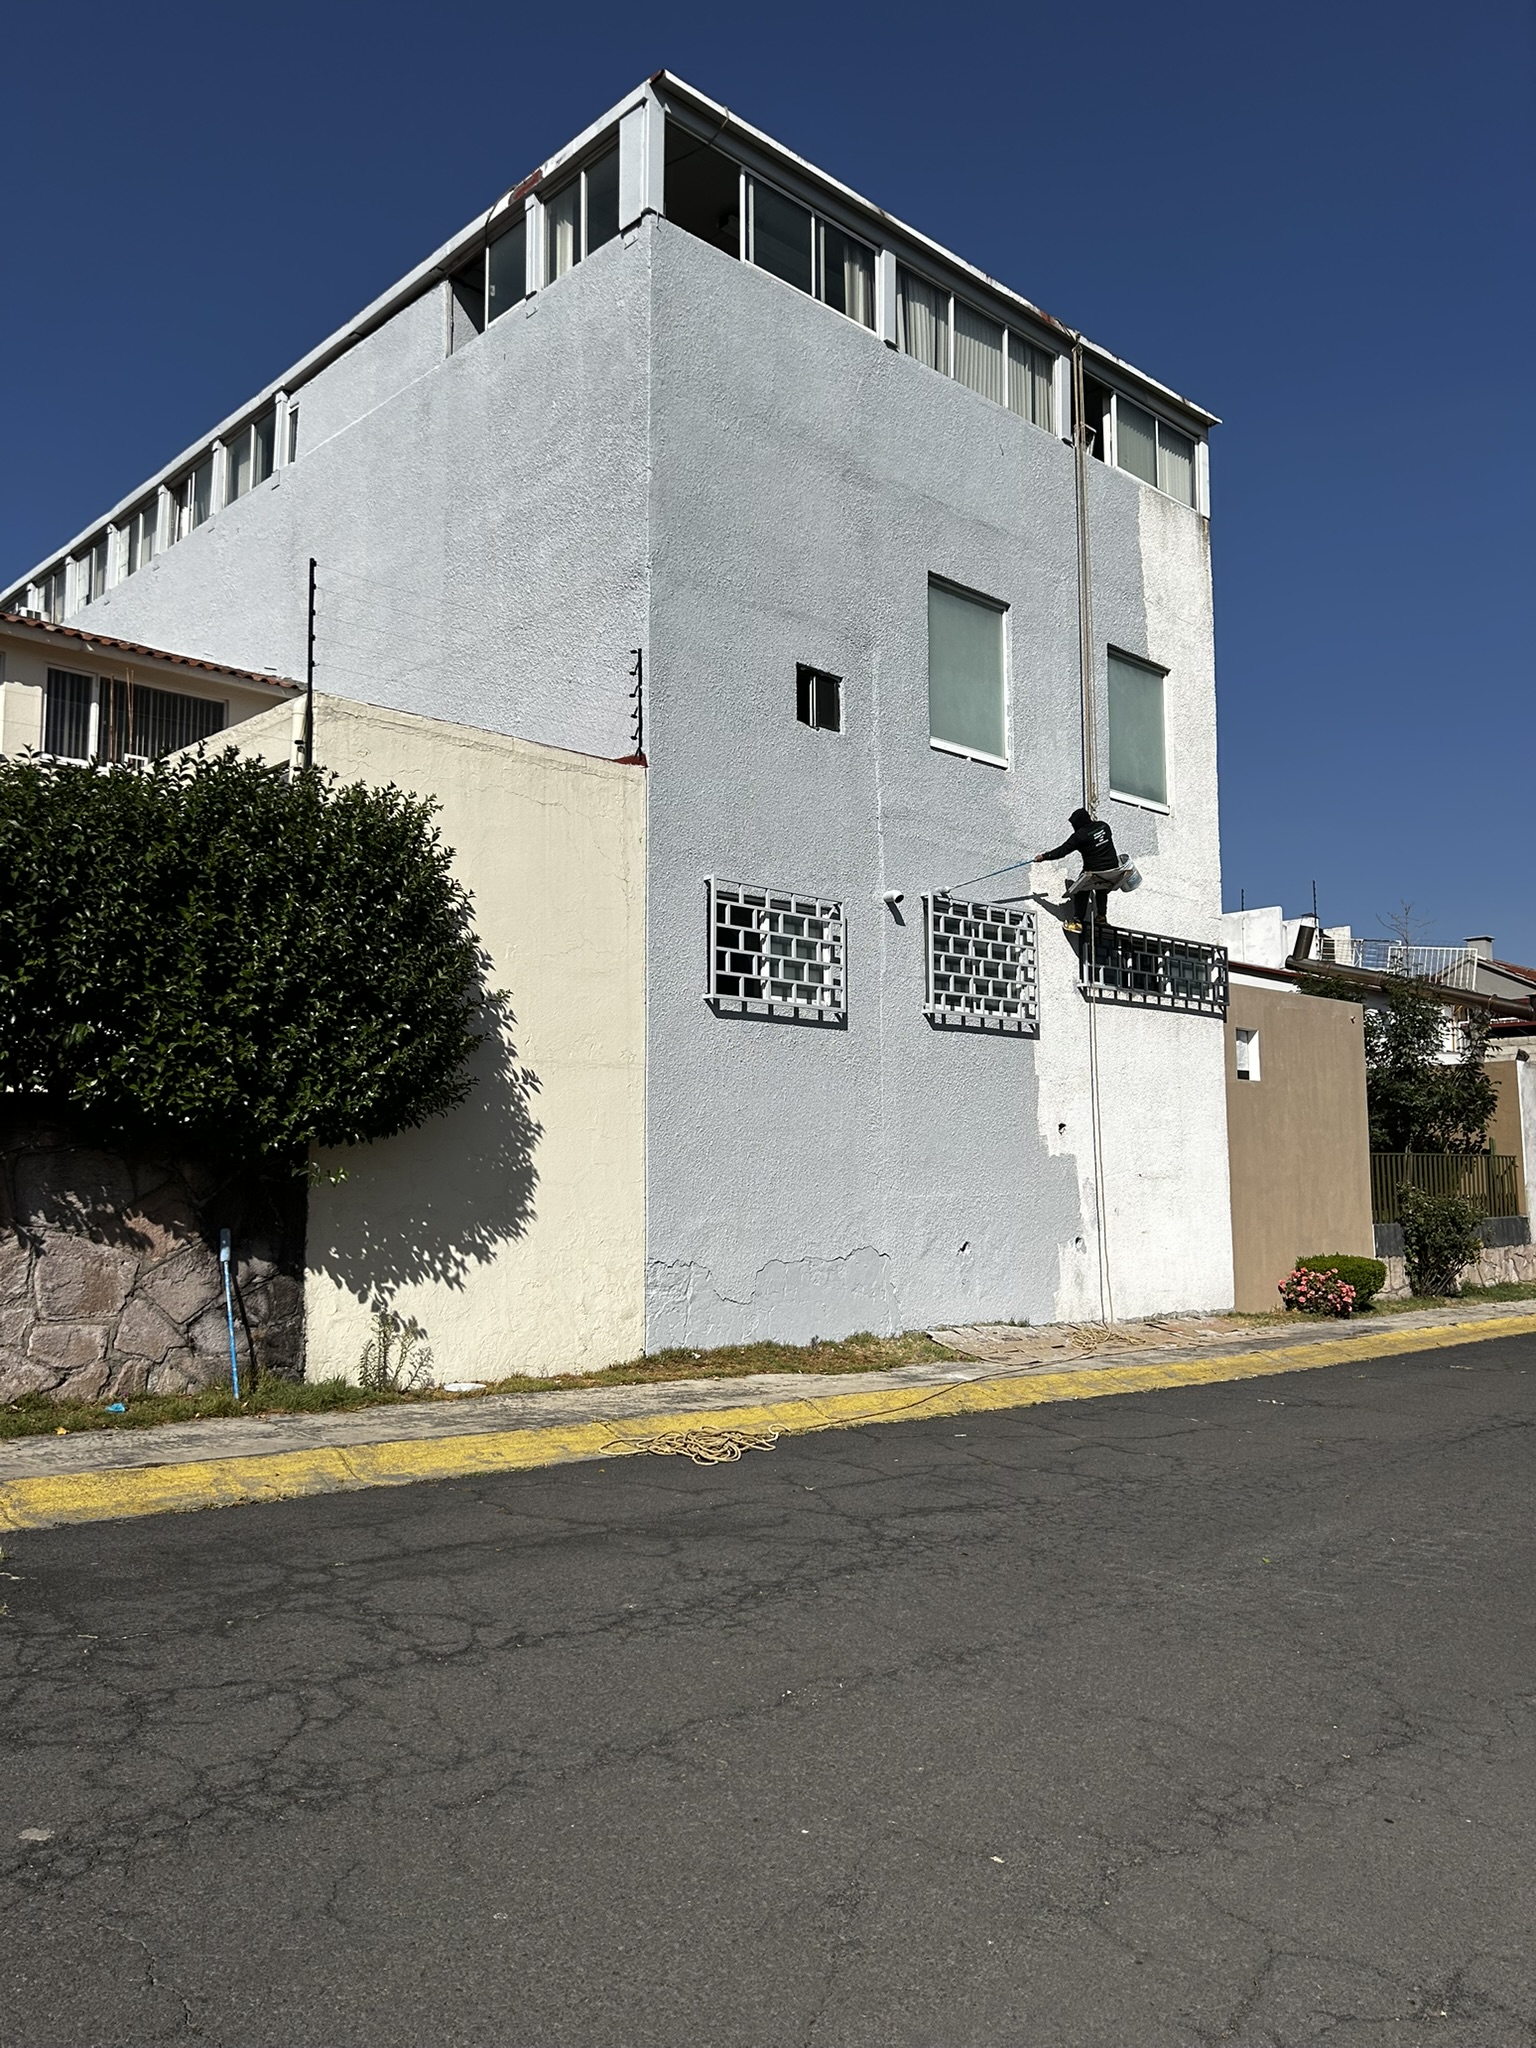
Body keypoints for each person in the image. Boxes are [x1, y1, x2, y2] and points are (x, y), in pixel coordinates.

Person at [1033, 809, 1128, 932]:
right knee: (1102, 885)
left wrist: (1044, 856)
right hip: (1113, 869)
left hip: (1094, 870)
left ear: (1078, 823)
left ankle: (1078, 922)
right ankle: (1101, 916)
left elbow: (1062, 851)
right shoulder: (1104, 826)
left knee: (1081, 887)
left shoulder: (1079, 836)